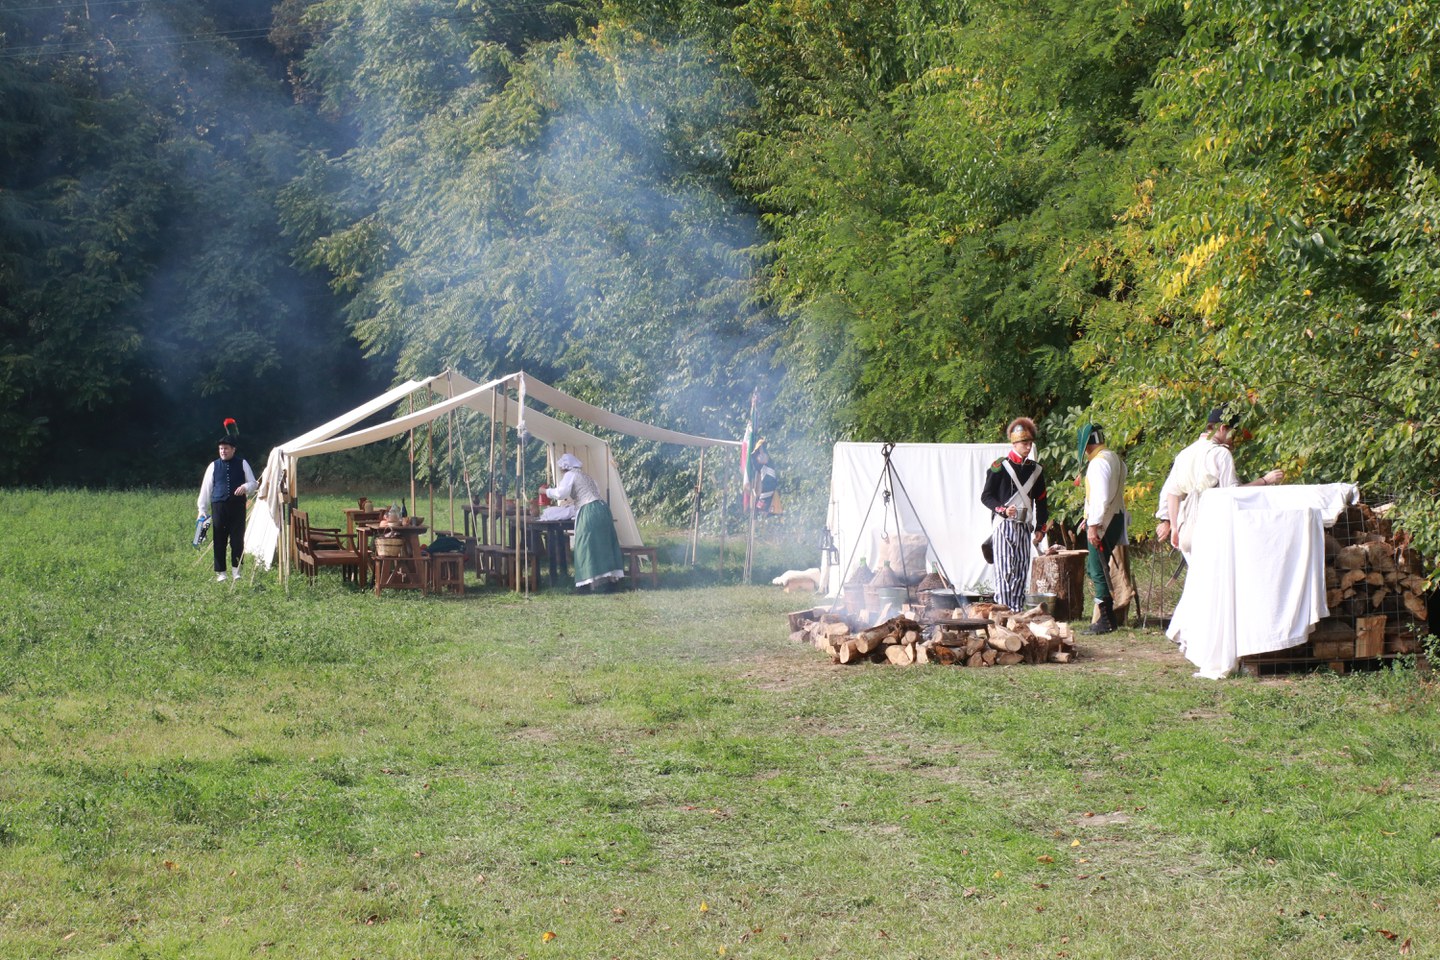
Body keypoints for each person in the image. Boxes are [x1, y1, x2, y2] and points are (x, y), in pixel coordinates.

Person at [1165, 406, 1285, 555]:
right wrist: (1265, 480)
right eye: (1233, 434)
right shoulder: (1221, 453)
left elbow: (1172, 494)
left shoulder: (1184, 454)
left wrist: (1175, 528)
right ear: (1222, 428)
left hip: (1186, 531)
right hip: (1213, 527)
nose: (1233, 440)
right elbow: (1233, 493)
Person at [981, 417, 1049, 611]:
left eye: (1030, 443)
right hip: (1003, 525)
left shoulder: (1036, 470)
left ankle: (1017, 611)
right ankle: (1003, 611)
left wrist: (1040, 528)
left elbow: (1042, 502)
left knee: (1020, 569)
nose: (1028, 447)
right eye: (1024, 443)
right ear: (1014, 443)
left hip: (1024, 526)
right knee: (1004, 570)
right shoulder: (999, 466)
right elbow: (986, 496)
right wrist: (1002, 510)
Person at [542, 452, 625, 591]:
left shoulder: (570, 474)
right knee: (603, 545)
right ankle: (609, 582)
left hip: (589, 511)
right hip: (603, 509)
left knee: (585, 545)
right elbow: (592, 492)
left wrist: (545, 491)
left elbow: (560, 493)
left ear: (564, 467)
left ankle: (586, 585)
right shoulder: (585, 476)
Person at [1077, 422, 1130, 634]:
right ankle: (1107, 618)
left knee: (1097, 569)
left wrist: (1094, 525)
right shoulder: (1114, 457)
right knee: (1098, 567)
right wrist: (1087, 518)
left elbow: (1100, 497)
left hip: (1104, 521)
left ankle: (1106, 620)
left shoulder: (1099, 463)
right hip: (1113, 517)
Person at [197, 419, 256, 583]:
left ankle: (236, 571)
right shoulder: (213, 466)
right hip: (219, 507)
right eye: (221, 449)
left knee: (237, 540)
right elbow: (206, 488)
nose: (223, 451)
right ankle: (221, 573)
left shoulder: (242, 463)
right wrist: (202, 509)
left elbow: (254, 483)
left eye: (226, 448)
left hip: (237, 507)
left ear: (233, 450)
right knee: (219, 540)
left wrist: (245, 486)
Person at [749, 437, 782, 516]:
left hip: (769, 487)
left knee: (760, 508)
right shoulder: (762, 465)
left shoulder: (767, 460)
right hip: (767, 488)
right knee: (760, 508)